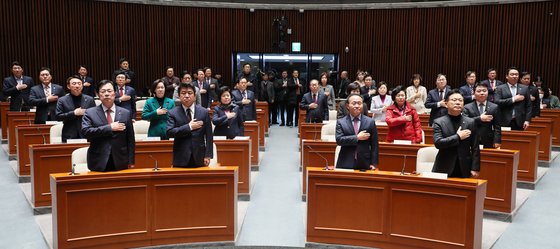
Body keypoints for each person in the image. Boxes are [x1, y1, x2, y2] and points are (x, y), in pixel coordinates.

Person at [81, 80, 135, 172]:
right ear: (98, 94)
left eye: (109, 91)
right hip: (98, 160)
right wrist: (109, 128)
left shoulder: (126, 113)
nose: (106, 94)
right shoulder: (90, 112)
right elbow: (85, 132)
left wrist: (131, 161)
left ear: (115, 93)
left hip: (121, 159)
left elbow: (130, 139)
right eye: (103, 91)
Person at [432, 89, 480, 178]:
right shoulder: (438, 122)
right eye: (454, 100)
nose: (458, 103)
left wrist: (475, 168)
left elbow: (475, 147)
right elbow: (438, 143)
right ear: (446, 104)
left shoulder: (470, 122)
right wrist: (458, 137)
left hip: (464, 167)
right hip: (443, 166)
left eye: (460, 100)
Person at [167, 83, 213, 168]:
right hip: (180, 157)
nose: (187, 96)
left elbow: (209, 136)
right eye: (183, 93)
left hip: (200, 156)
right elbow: (170, 132)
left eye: (190, 93)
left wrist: (208, 155)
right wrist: (189, 127)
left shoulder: (204, 112)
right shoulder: (172, 112)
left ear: (195, 96)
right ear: (179, 96)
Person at [335, 94, 379, 170]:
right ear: (347, 106)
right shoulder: (341, 122)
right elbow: (339, 140)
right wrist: (357, 137)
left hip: (364, 162)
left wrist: (373, 163)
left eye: (359, 103)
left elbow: (374, 145)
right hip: (345, 161)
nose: (357, 106)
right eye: (354, 103)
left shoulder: (370, 122)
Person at [55, 76, 96, 142]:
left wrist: (87, 113)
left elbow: (95, 117)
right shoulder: (62, 100)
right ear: (68, 86)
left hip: (86, 134)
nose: (77, 86)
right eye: (74, 84)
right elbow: (58, 116)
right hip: (69, 134)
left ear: (82, 86)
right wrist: (74, 113)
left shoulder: (89, 99)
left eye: (79, 84)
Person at [462, 82, 501, 149]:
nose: (482, 93)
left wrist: (497, 141)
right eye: (479, 91)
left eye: (484, 91)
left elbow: (497, 126)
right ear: (474, 93)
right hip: (471, 138)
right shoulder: (467, 107)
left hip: (488, 139)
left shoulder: (494, 107)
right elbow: (465, 123)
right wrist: (479, 118)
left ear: (488, 92)